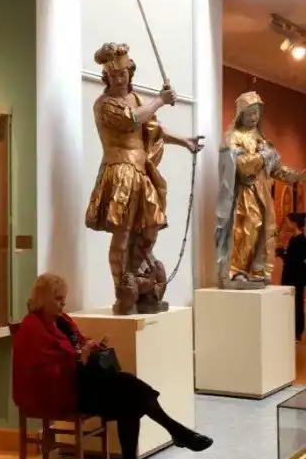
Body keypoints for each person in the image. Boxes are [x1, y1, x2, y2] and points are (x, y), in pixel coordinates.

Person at [12, 273, 213, 459]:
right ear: (43, 298)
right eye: (58, 299)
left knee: (130, 398)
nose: (63, 303)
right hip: (61, 392)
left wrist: (90, 347)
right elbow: (41, 374)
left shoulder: (62, 320)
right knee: (130, 391)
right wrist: (78, 357)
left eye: (64, 299)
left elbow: (78, 343)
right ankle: (171, 437)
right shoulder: (32, 328)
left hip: (83, 383)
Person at [85, 42, 203, 315]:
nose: (119, 79)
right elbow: (132, 120)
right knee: (122, 233)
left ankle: (138, 276)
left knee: (151, 226)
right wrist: (160, 100)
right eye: (113, 75)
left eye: (123, 74)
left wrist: (184, 140)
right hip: (120, 172)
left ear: (130, 73)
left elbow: (153, 128)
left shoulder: (136, 99)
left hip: (141, 171)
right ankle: (123, 290)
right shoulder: (104, 104)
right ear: (106, 77)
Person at [216, 92, 306, 287]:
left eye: (256, 113)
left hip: (262, 193)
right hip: (244, 193)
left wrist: (297, 176)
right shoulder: (233, 137)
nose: (254, 117)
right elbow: (240, 166)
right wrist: (262, 157)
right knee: (245, 230)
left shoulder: (262, 140)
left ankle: (255, 270)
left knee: (263, 232)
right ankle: (236, 270)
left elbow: (276, 169)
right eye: (250, 113)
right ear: (241, 114)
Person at [281, 213, 306, 342]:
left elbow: (297, 260)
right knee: (291, 304)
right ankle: (291, 330)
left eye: (287, 222)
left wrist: (284, 255)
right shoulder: (293, 239)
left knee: (297, 303)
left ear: (294, 224)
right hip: (290, 276)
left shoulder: (301, 240)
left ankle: (297, 332)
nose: (286, 225)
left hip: (296, 277)